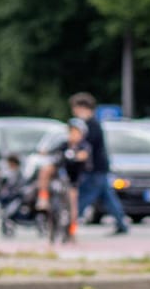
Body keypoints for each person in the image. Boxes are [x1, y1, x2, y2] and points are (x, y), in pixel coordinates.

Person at [70, 92, 129, 235]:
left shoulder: (91, 125)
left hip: (95, 169)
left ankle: (71, 222)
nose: (74, 111)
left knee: (85, 196)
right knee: (108, 198)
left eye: (75, 108)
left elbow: (87, 147)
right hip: (98, 168)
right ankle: (122, 224)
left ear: (83, 108)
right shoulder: (92, 124)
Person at [36, 118, 91, 238]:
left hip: (73, 177)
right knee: (45, 170)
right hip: (61, 170)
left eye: (76, 132)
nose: (73, 135)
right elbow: (51, 151)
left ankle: (72, 229)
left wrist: (76, 156)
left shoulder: (83, 146)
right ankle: (43, 197)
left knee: (72, 201)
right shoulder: (64, 144)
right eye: (71, 132)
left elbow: (84, 155)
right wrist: (44, 152)